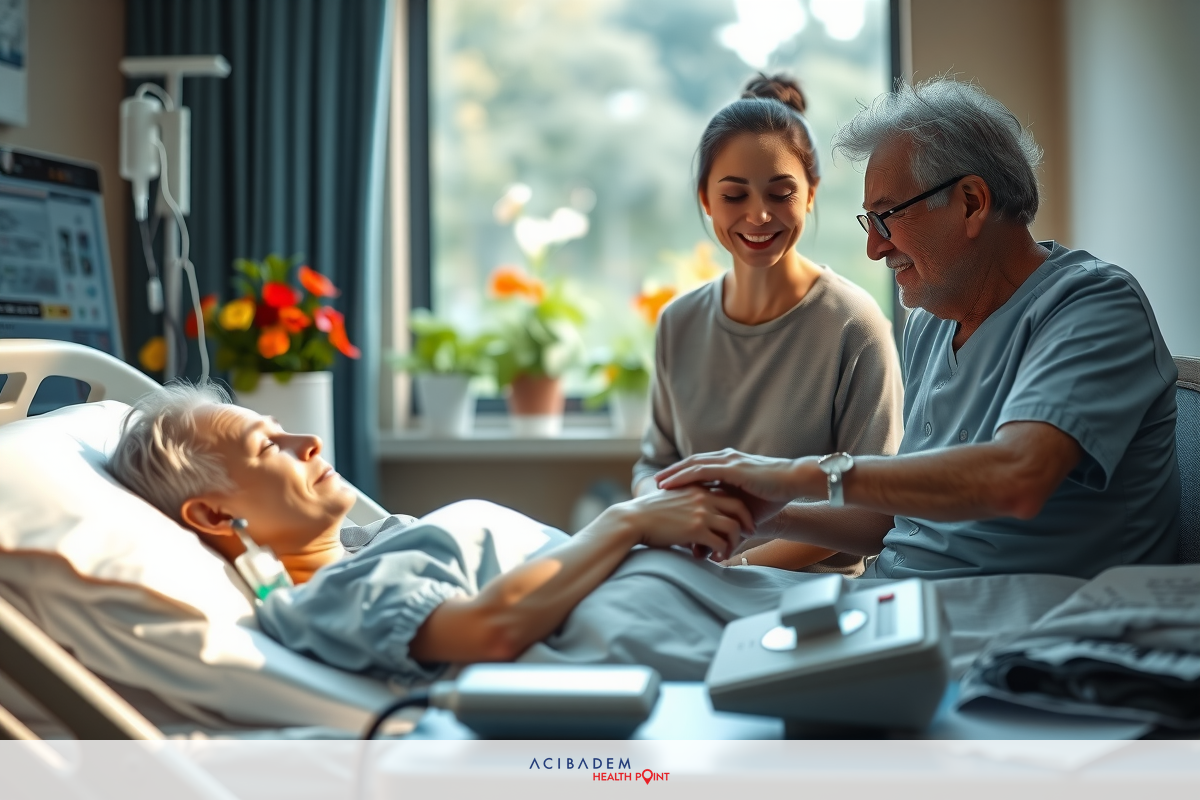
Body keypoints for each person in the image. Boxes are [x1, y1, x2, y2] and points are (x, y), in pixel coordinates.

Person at [656, 77, 1180, 580]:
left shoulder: (1094, 304)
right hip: (896, 601)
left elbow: (1018, 477)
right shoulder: (929, 324)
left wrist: (794, 474)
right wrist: (767, 514)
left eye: (887, 216)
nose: (874, 247)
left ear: (971, 202)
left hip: (1023, 621)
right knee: (649, 593)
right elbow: (889, 519)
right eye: (869, 222)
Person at [108, 382, 757, 681]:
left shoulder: (381, 539)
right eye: (266, 445)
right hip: (708, 644)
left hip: (728, 601)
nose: (306, 442)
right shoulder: (327, 598)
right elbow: (488, 630)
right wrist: (627, 519)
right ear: (216, 516)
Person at [633, 74, 903, 574]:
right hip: (689, 575)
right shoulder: (679, 323)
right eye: (735, 196)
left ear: (811, 194)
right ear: (705, 199)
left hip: (806, 592)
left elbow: (874, 519)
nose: (758, 215)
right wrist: (664, 510)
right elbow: (655, 464)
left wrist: (739, 564)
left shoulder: (855, 325)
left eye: (780, 193)